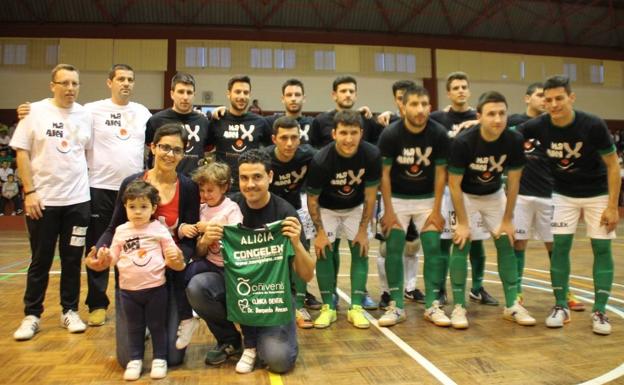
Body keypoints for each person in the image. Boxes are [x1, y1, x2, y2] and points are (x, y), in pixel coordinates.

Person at [16, 64, 153, 326]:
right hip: (98, 189)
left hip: (134, 190)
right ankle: (96, 304)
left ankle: (132, 302)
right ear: (109, 82)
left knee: (137, 247)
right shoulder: (90, 110)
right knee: (98, 246)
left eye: (130, 79)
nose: (126, 83)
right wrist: (27, 109)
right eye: (121, 79)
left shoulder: (142, 112)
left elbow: (167, 124)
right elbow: (55, 111)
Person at [186, 149, 315, 374]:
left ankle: (263, 336)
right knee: (198, 286)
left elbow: (307, 274)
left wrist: (296, 243)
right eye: (245, 178)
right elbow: (198, 253)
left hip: (272, 296)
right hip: (238, 288)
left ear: (270, 177)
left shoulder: (285, 212)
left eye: (257, 177)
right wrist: (205, 240)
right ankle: (231, 340)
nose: (250, 184)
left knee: (278, 360)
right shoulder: (228, 206)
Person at [86, 123, 199, 367]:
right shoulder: (133, 183)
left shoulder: (188, 187)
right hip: (133, 275)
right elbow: (112, 227)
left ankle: (159, 322)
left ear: (183, 154)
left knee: (173, 358)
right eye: (164, 147)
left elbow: (191, 236)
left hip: (167, 275)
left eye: (177, 150)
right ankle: (145, 324)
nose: (170, 154)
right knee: (128, 359)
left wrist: (181, 258)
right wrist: (98, 251)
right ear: (153, 147)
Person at [517, 75, 620, 335]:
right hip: (562, 194)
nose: (553, 104)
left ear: (571, 98)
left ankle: (599, 311)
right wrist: (475, 124)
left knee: (601, 248)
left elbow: (612, 166)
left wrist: (612, 206)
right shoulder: (538, 125)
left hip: (597, 194)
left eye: (559, 98)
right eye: (548, 99)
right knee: (560, 247)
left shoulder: (592, 124)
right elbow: (503, 135)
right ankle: (560, 305)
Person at [12, 63, 93, 341]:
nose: (70, 88)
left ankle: (69, 310)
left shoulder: (86, 115)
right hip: (43, 202)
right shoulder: (33, 112)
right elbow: (21, 153)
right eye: (64, 83)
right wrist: (29, 191)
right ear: (52, 85)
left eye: (74, 83)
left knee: (72, 260)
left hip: (79, 202)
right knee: (40, 260)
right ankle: (32, 314)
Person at [447, 91, 536, 329]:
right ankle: (458, 306)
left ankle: (512, 305)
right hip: (465, 194)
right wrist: (463, 223)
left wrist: (508, 219)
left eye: (502, 113)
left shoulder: (513, 140)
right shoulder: (463, 142)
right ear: (479, 116)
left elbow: (515, 182)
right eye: (491, 114)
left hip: (495, 194)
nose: (497, 119)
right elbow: (453, 184)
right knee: (461, 241)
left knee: (506, 240)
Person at [91, 180, 185, 380]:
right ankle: (135, 359)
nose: (138, 212)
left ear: (153, 208)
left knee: (157, 324)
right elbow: (114, 256)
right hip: (128, 292)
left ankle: (160, 358)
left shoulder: (158, 229)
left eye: (143, 207)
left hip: (156, 289)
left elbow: (171, 250)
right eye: (132, 207)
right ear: (124, 207)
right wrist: (106, 257)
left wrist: (174, 256)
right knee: (135, 326)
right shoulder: (122, 231)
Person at [377, 85, 450, 327]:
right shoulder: (390, 134)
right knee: (394, 246)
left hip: (428, 198)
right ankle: (396, 305)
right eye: (414, 104)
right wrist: (387, 210)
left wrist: (438, 209)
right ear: (403, 106)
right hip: (396, 197)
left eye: (424, 104)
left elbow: (441, 173)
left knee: (432, 247)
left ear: (430, 106)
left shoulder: (438, 134)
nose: (420, 110)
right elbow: (384, 175)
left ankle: (432, 305)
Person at [309, 75, 382, 310]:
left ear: (361, 132)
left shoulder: (371, 155)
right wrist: (319, 232)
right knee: (323, 250)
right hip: (327, 207)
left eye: (354, 133)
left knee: (360, 248)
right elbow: (312, 199)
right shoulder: (321, 160)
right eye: (343, 133)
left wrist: (363, 230)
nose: (349, 139)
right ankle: (328, 302)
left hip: (355, 205)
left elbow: (371, 195)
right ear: (334, 134)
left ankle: (358, 301)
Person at [431, 71, 497, 307]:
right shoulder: (437, 118)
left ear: (469, 90)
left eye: (464, 87)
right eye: (455, 87)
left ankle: (477, 288)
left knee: (477, 241)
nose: (460, 90)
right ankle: (439, 288)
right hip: (450, 188)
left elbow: (512, 124)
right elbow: (411, 122)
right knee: (446, 241)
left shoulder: (481, 117)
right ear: (448, 93)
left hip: (476, 188)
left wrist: (480, 123)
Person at [174, 160, 243, 349]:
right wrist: (195, 235)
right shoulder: (202, 209)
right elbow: (198, 249)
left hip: (232, 268)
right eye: (202, 191)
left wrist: (213, 227)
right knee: (182, 274)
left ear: (225, 187)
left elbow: (238, 234)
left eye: (210, 190)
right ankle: (187, 318)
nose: (205, 195)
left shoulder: (231, 208)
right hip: (211, 263)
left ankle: (249, 338)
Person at [265, 115, 318, 328]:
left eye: (294, 138)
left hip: (294, 210)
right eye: (284, 137)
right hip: (268, 211)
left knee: (301, 250)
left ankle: (299, 303)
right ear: (274, 139)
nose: (289, 143)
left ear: (300, 138)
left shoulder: (308, 155)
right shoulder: (265, 158)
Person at [206, 75, 272, 193]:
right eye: (237, 92)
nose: (242, 96)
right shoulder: (218, 120)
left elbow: (272, 149)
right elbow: (206, 147)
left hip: (251, 188)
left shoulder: (260, 122)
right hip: (222, 188)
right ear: (228, 94)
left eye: (245, 92)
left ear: (249, 95)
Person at [146, 72, 211, 176]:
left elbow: (208, 153)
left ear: (194, 95)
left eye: (189, 92)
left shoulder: (204, 122)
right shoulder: (156, 120)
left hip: (195, 184)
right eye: (181, 92)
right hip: (163, 183)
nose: (185, 97)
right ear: (172, 94)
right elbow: (148, 152)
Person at [264, 78, 314, 145]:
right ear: (283, 99)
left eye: (297, 95)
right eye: (289, 95)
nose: (293, 99)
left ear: (304, 98)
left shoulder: (313, 124)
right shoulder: (270, 123)